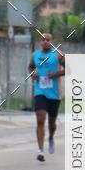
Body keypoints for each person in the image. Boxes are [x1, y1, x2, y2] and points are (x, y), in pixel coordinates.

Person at [29, 32, 65, 162]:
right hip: (40, 91)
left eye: (48, 40)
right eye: (43, 39)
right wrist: (33, 73)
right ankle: (40, 150)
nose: (45, 41)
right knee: (40, 119)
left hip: (54, 94)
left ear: (51, 42)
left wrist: (55, 74)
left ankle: (50, 137)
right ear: (40, 41)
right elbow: (30, 67)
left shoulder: (58, 54)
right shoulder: (35, 55)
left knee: (51, 122)